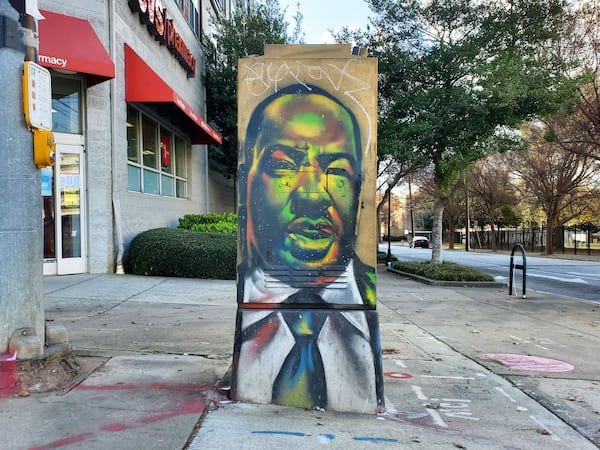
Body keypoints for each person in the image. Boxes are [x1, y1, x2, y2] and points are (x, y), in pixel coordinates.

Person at [233, 84, 383, 412]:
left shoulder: (367, 292)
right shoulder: (245, 293)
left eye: (337, 170)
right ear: (246, 184)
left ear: (359, 190)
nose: (313, 197)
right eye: (284, 166)